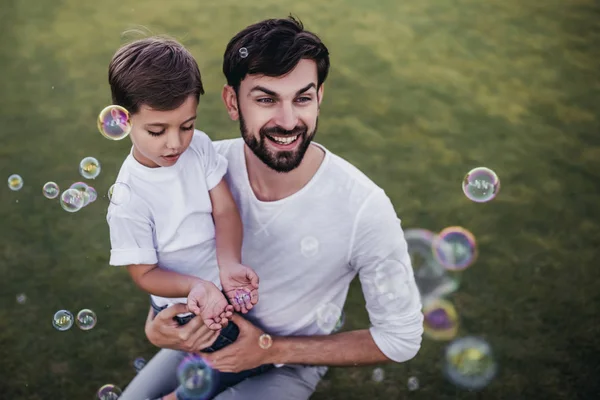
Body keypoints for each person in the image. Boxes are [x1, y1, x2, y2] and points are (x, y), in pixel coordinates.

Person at [125, 16, 424, 400]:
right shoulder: (199, 168)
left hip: (289, 365)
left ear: (320, 97)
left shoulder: (364, 208)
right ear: (233, 102)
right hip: (207, 337)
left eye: (302, 98)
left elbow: (400, 339)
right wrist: (156, 327)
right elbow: (171, 260)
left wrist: (270, 348)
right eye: (266, 99)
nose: (287, 121)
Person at [104, 37, 272, 400]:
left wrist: (227, 264)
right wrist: (198, 286)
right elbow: (145, 274)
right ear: (123, 119)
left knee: (246, 348)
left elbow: (224, 209)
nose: (175, 144)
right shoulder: (129, 198)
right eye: (157, 130)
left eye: (186, 125)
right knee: (254, 354)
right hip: (183, 303)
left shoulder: (198, 148)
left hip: (217, 285)